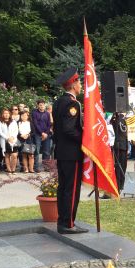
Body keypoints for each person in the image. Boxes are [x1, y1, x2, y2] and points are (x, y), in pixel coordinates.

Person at [52, 68, 87, 234]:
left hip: (62, 152)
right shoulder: (72, 104)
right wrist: (86, 139)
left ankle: (62, 221)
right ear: (73, 84)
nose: (81, 86)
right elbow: (69, 129)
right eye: (79, 82)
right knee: (71, 189)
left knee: (64, 188)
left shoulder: (58, 102)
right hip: (72, 153)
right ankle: (68, 223)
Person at [31, 99, 53, 171]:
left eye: (43, 105)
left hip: (47, 135)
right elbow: (35, 124)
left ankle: (46, 167)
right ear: (38, 105)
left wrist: (46, 133)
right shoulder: (34, 113)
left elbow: (49, 124)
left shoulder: (47, 113)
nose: (42, 106)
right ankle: (36, 167)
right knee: (37, 151)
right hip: (38, 134)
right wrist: (42, 133)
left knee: (46, 151)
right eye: (40, 105)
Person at [0, 108, 19, 174]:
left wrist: (12, 137)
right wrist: (7, 138)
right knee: (7, 155)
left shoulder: (13, 122)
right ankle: (9, 169)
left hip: (13, 140)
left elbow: (16, 130)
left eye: (8, 113)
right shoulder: (0, 122)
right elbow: (0, 132)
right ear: (3, 114)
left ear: (10, 114)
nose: (6, 115)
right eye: (5, 113)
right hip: (4, 140)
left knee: (14, 155)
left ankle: (13, 169)